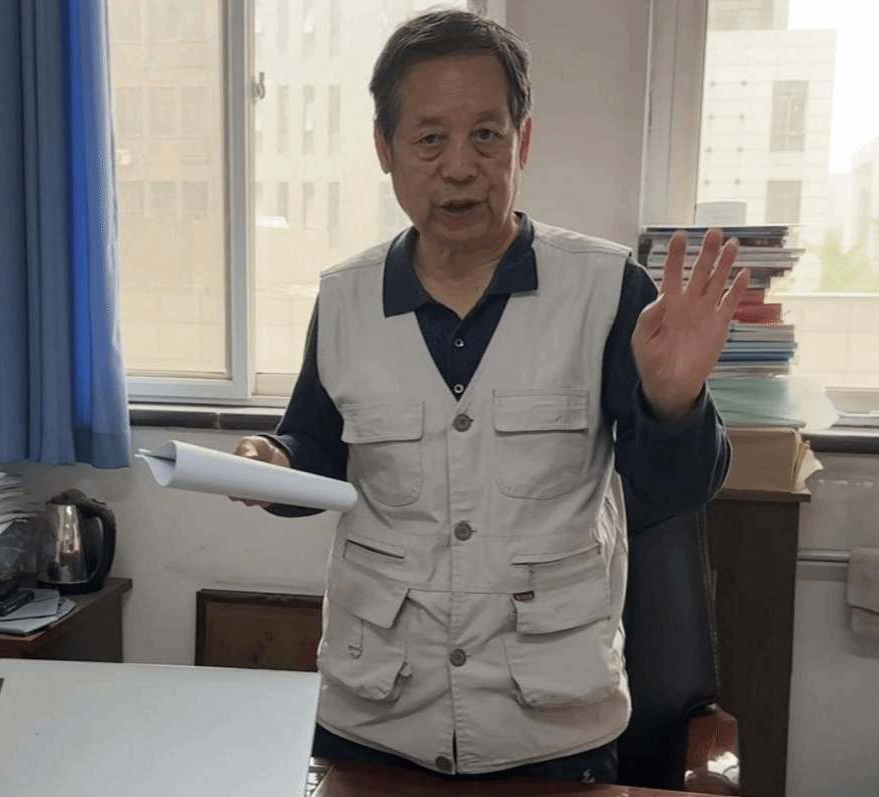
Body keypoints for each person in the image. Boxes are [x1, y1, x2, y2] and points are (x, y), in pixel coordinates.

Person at [232, 8, 748, 784]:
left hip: (550, 725)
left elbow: (666, 494)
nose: (460, 167)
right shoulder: (344, 299)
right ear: (385, 149)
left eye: (486, 135)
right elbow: (317, 451)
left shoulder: (607, 290)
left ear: (523, 141)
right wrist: (269, 462)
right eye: (429, 139)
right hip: (376, 714)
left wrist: (673, 402)